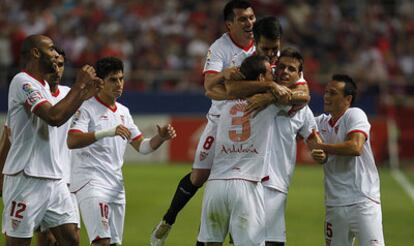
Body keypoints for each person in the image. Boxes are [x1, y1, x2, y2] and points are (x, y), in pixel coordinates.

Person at [151, 1, 258, 245]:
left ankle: (230, 235)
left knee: (242, 180)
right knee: (199, 176)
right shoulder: (220, 48)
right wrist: (229, 83)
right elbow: (211, 89)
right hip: (220, 120)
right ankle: (168, 219)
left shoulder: (260, 46)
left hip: (251, 122)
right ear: (230, 24)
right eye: (243, 19)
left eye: (251, 17)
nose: (250, 23)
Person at [2, 34, 101, 246]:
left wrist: (82, 94)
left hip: (55, 180)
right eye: (51, 49)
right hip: (26, 178)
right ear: (36, 53)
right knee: (19, 243)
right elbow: (54, 117)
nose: (56, 53)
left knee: (71, 239)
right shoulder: (22, 82)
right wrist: (79, 86)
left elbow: (61, 113)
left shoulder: (46, 89)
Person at [67, 57, 176, 246]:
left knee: (115, 243)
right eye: (113, 79)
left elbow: (142, 146)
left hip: (116, 186)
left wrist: (161, 138)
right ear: (99, 83)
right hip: (91, 182)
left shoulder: (123, 112)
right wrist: (108, 132)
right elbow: (72, 140)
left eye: (121, 78)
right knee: (102, 241)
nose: (119, 84)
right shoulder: (86, 108)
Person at [198, 54, 287, 245]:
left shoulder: (225, 99)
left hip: (216, 185)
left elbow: (210, 89)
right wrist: (271, 88)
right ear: (262, 78)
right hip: (247, 184)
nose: (274, 77)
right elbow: (300, 96)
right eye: (270, 73)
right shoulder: (268, 103)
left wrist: (224, 75)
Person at [243, 48, 323, 246]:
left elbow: (313, 139)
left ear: (298, 75)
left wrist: (321, 152)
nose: (285, 72)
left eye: (292, 69)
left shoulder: (303, 110)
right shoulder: (257, 92)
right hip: (248, 181)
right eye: (281, 67)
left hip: (277, 184)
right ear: (274, 69)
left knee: (274, 242)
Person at [311, 74, 385, 246]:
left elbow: (355, 147)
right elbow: (296, 126)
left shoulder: (354, 114)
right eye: (326, 92)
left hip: (363, 201)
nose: (326, 96)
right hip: (334, 204)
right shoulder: (321, 122)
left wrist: (322, 148)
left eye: (333, 93)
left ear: (348, 99)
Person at [35, 48, 81, 246]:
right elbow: (10, 133)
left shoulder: (70, 94)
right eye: (52, 64)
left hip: (67, 179)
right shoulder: (34, 92)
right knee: (46, 238)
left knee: (72, 238)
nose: (57, 70)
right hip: (40, 178)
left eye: (61, 65)